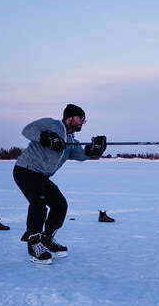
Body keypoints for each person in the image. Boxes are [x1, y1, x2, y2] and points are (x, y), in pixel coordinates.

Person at [13, 104, 106, 264]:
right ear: (70, 117)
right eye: (80, 118)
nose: (82, 122)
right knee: (39, 203)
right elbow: (27, 130)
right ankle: (34, 243)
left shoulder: (70, 141)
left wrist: (94, 151)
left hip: (41, 176)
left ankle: (47, 238)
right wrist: (45, 137)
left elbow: (82, 155)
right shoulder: (52, 124)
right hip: (25, 170)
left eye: (84, 120)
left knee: (59, 205)